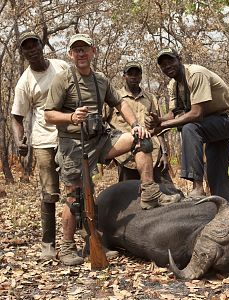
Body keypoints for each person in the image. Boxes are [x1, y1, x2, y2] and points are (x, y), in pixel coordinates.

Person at [44, 34, 181, 266]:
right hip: (74, 144)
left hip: (100, 140)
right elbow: (48, 114)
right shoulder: (62, 79)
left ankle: (149, 192)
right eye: (76, 50)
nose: (81, 54)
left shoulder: (100, 80)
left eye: (84, 49)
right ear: (70, 54)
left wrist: (136, 126)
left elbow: (120, 103)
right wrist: (70, 116)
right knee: (76, 196)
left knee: (142, 141)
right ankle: (68, 246)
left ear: (93, 51)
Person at [145, 48, 229, 206]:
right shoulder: (173, 85)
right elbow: (173, 114)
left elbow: (196, 114)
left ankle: (197, 187)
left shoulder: (196, 74)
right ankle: (226, 209)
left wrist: (162, 126)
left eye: (170, 61)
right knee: (216, 170)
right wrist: (159, 121)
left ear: (179, 59)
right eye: (163, 64)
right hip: (210, 122)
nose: (167, 66)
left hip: (228, 119)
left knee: (190, 128)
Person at [11, 30, 69, 260]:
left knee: (76, 187)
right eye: (26, 47)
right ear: (23, 53)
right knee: (49, 192)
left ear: (42, 45)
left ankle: (86, 237)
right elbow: (17, 116)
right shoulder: (24, 82)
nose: (32, 49)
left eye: (34, 44)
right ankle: (48, 243)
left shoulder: (62, 66)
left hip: (69, 135)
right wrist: (19, 139)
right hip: (43, 140)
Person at [107, 61, 181, 195]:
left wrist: (164, 153)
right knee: (129, 197)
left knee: (169, 193)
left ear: (141, 76)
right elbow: (103, 124)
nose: (134, 77)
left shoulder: (150, 98)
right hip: (126, 158)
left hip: (153, 154)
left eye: (137, 74)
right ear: (124, 76)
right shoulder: (114, 98)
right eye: (130, 74)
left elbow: (159, 126)